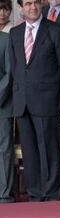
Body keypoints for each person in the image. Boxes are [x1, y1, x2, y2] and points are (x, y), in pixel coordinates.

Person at [9, 0, 60, 201]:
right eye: (28, 3)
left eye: (36, 2)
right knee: (29, 150)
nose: (33, 7)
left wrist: (56, 95)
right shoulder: (16, 34)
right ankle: (35, 194)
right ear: (20, 8)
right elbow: (16, 68)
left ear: (42, 3)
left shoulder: (56, 31)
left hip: (47, 100)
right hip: (22, 102)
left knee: (49, 149)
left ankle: (52, 193)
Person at [0, 31, 13, 203]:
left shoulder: (5, 39)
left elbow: (10, 74)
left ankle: (3, 195)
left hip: (1, 105)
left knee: (3, 151)